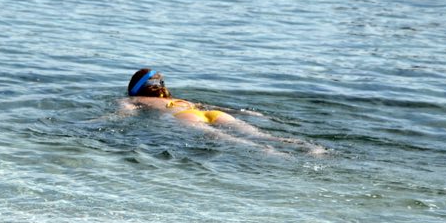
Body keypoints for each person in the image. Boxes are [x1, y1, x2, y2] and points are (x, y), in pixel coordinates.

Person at [121, 68, 326, 156]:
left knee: (231, 140)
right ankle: (311, 148)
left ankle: (275, 155)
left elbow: (125, 114)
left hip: (185, 117)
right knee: (263, 135)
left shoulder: (135, 99)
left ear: (135, 88)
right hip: (214, 113)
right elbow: (229, 109)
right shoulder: (179, 99)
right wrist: (253, 114)